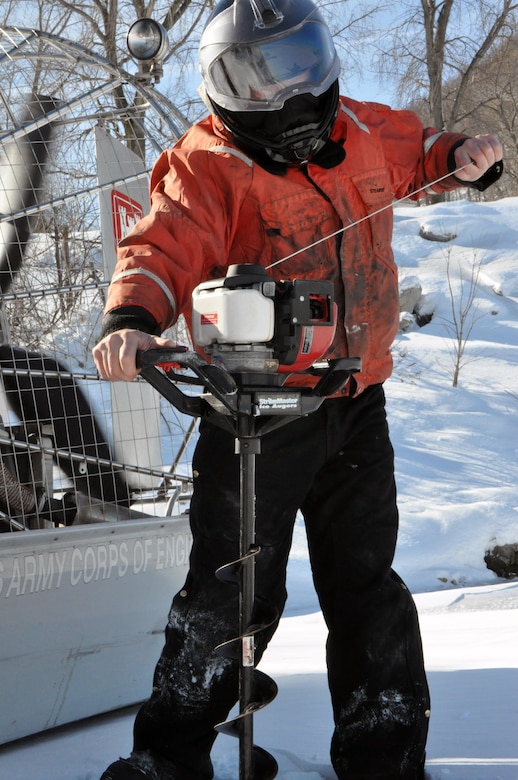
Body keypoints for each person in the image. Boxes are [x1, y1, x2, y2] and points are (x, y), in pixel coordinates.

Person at [93, 1, 503, 778]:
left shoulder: (361, 127)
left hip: (354, 401)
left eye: (300, 63)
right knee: (230, 592)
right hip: (255, 414)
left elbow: (424, 155)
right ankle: (169, 760)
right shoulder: (208, 163)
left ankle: (384, 756)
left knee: (367, 587)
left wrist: (463, 152)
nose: (289, 93)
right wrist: (132, 318)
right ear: (226, 85)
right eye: (262, 75)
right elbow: (160, 244)